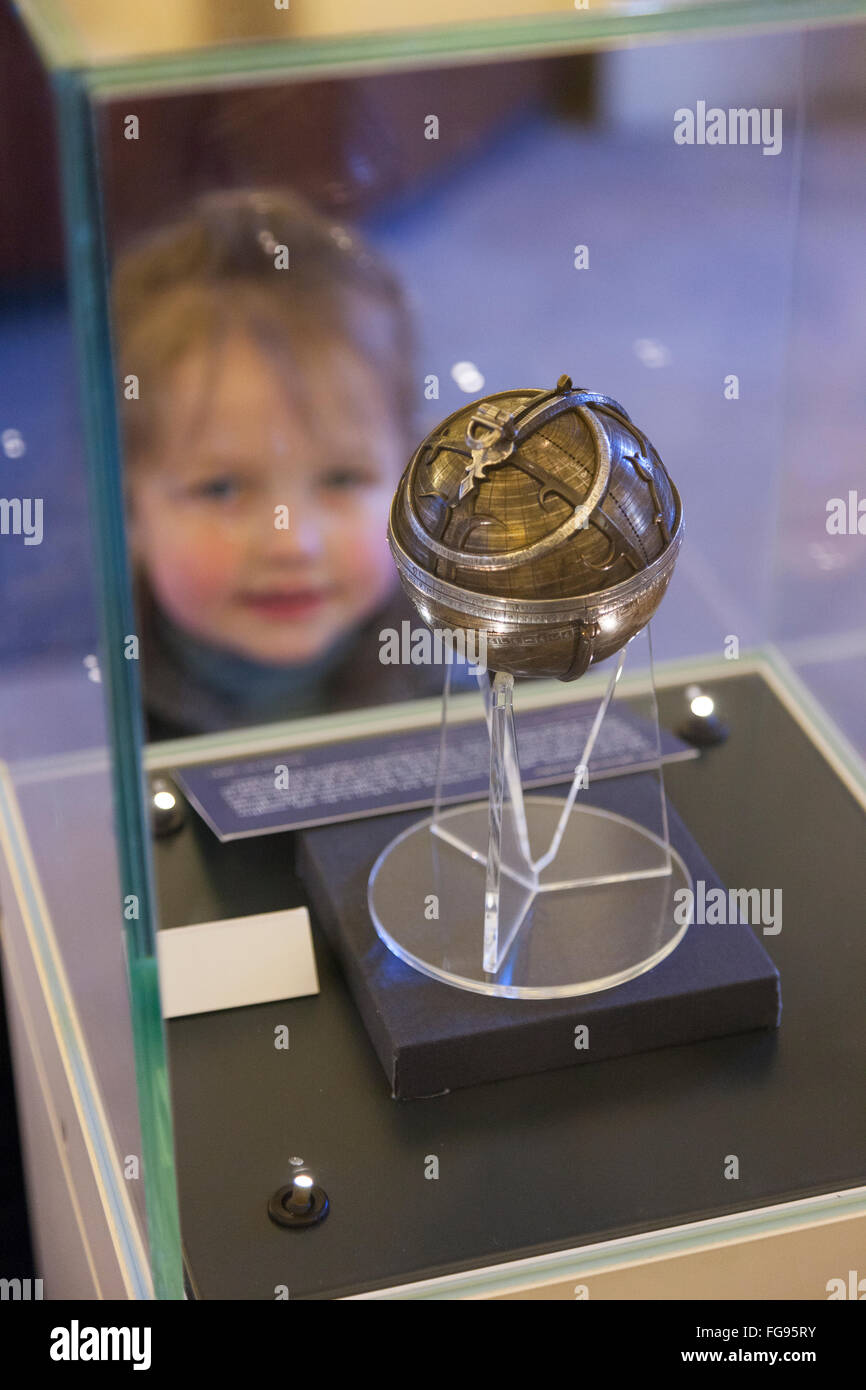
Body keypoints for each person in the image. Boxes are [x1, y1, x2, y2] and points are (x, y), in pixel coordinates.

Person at [113, 188, 449, 740]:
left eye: (342, 479)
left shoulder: (481, 660)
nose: (293, 543)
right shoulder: (80, 706)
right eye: (221, 489)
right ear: (128, 507)